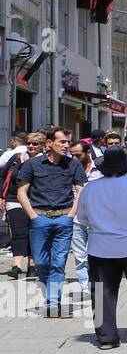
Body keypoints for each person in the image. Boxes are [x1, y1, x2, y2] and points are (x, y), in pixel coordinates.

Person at [76, 147, 127, 349]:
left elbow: (82, 218)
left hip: (100, 247)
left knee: (102, 293)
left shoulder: (90, 188)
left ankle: (106, 337)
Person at [16, 127, 86, 318]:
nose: (66, 146)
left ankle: (53, 303)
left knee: (58, 263)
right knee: (41, 262)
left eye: (68, 142)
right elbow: (21, 191)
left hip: (64, 219)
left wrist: (71, 214)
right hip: (40, 219)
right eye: (62, 142)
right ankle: (51, 299)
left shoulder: (73, 165)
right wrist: (33, 216)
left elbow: (81, 190)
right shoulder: (32, 165)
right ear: (49, 143)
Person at [2, 132, 43, 280]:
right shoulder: (17, 158)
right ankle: (17, 266)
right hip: (14, 198)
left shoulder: (45, 161)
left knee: (33, 232)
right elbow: (3, 175)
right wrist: (2, 196)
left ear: (42, 146)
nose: (31, 146)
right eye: (29, 143)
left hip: (36, 201)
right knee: (19, 231)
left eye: (35, 144)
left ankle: (32, 266)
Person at [67, 141, 103, 302]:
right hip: (76, 218)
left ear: (88, 152)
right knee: (80, 256)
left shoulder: (100, 169)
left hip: (97, 219)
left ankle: (98, 284)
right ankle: (84, 286)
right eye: (72, 155)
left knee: (95, 254)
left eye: (78, 155)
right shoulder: (68, 170)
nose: (74, 158)